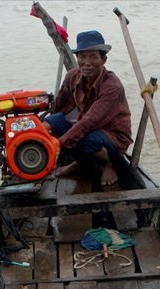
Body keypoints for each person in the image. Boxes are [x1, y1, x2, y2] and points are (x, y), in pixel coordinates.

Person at [43, 30, 132, 186]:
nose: (87, 62)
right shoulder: (72, 76)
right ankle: (81, 162)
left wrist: (58, 143)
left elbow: (90, 121)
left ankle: (107, 165)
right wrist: (41, 128)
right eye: (82, 57)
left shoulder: (112, 86)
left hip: (112, 137)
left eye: (93, 57)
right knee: (52, 122)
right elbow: (59, 107)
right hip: (86, 127)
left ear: (103, 60)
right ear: (77, 58)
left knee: (87, 139)